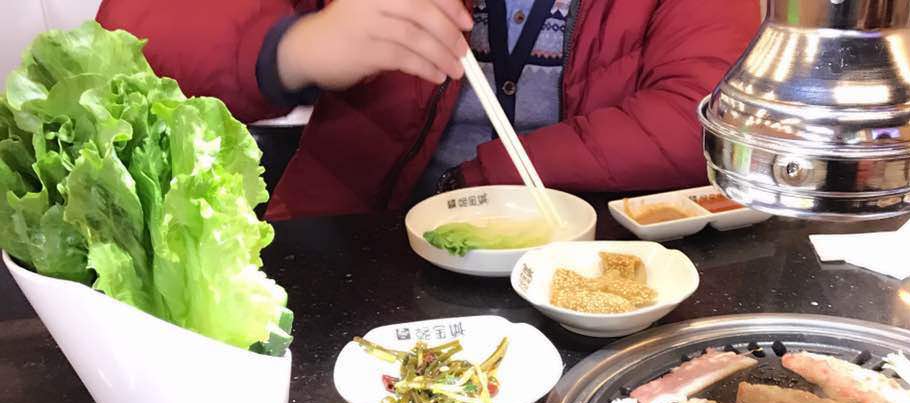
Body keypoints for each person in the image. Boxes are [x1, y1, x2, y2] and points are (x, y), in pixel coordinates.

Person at [96, 0, 760, 220]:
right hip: (360, 244)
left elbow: (707, 115)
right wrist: (293, 50)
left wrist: (479, 182)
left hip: (594, 257)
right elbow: (126, 45)